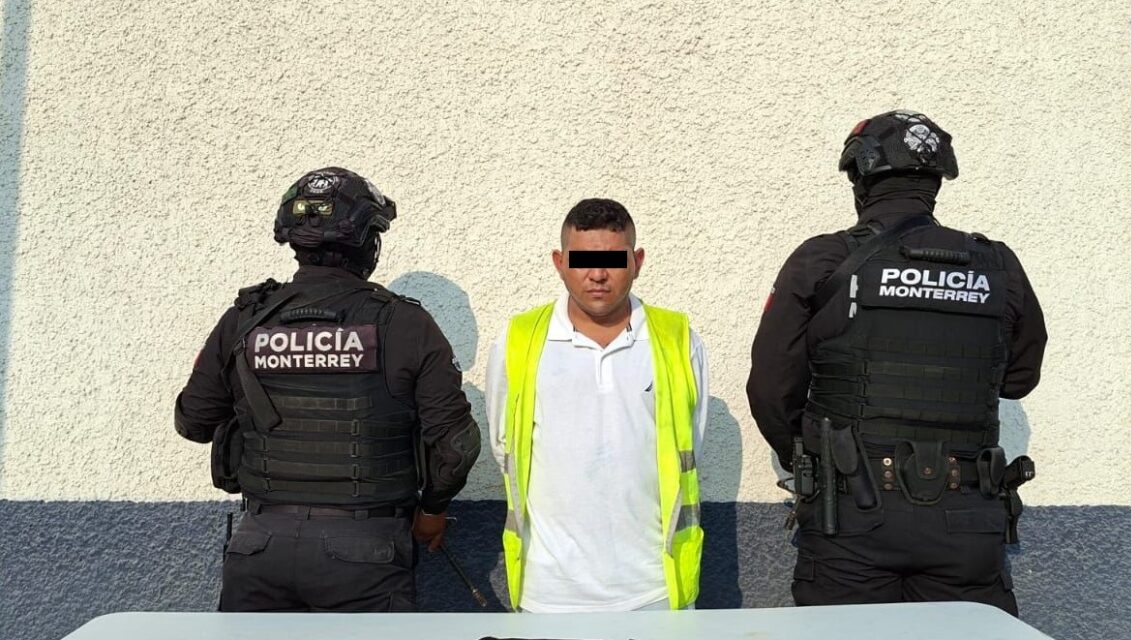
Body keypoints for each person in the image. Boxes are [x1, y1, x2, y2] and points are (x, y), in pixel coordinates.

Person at [746, 111, 1047, 615]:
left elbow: (772, 390)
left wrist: (815, 457)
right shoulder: (998, 265)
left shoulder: (823, 261)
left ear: (860, 179)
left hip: (851, 514)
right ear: (935, 183)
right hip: (967, 517)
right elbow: (1019, 379)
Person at [174, 167, 481, 612]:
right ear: (369, 243)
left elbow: (193, 422)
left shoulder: (245, 319)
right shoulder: (405, 323)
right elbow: (456, 445)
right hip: (367, 553)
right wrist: (433, 511)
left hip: (260, 546)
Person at [486, 198, 710, 613]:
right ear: (559, 262)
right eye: (583, 260)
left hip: (654, 590)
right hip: (550, 595)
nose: (598, 274)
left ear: (637, 261)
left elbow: (689, 446)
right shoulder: (518, 341)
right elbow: (505, 448)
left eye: (613, 260)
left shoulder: (678, 340)